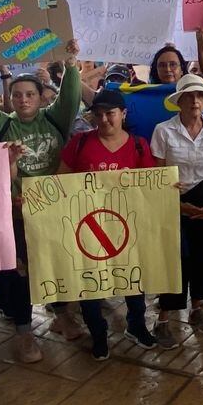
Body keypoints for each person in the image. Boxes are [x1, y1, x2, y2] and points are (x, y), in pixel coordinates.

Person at [0, 40, 84, 362]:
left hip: (55, 209)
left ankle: (62, 314)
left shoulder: (56, 119)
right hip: (16, 212)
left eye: (29, 94)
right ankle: (24, 331)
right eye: (17, 95)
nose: (23, 99)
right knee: (20, 273)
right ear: (9, 99)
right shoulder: (2, 124)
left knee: (58, 264)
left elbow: (71, 97)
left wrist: (71, 64)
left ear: (41, 96)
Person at [57, 88, 160, 357]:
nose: (103, 120)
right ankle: (98, 334)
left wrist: (169, 189)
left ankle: (136, 325)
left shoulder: (139, 145)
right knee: (91, 284)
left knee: (134, 282)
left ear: (123, 114)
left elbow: (150, 186)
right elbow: (59, 181)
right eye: (98, 114)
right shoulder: (80, 143)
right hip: (87, 228)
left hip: (127, 227)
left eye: (110, 114)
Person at [151, 75, 203, 342]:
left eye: (200, 96)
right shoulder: (163, 131)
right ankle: (163, 319)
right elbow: (158, 175)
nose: (195, 101)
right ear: (179, 101)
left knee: (200, 257)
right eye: (189, 96)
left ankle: (198, 309)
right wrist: (179, 206)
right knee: (175, 259)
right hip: (174, 203)